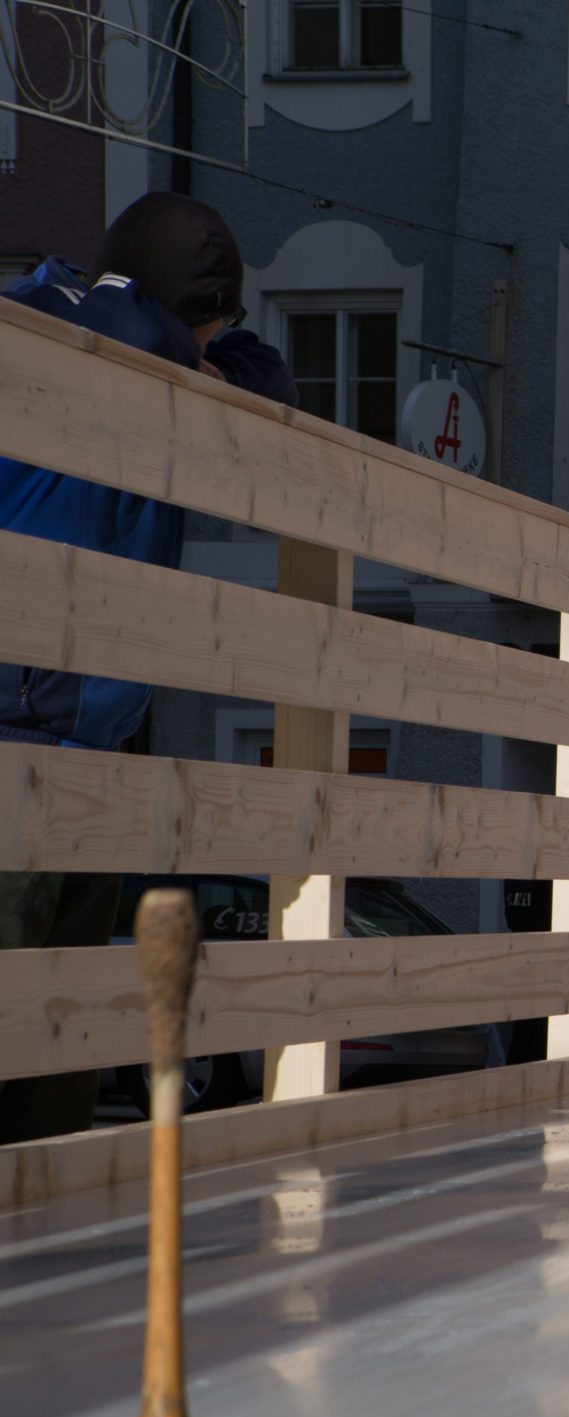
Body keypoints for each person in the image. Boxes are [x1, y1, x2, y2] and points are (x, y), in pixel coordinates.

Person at [0, 193, 297, 1143]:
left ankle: (49, 1253)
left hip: (95, 749)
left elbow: (271, 388)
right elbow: (107, 313)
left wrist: (203, 354)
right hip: (11, 739)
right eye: (200, 325)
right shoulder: (47, 327)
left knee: (68, 1033)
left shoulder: (151, 359)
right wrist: (176, 339)